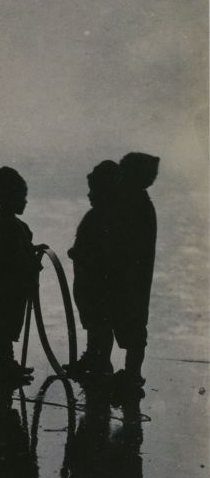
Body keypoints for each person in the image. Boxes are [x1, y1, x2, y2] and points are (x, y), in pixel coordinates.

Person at [66, 160, 120, 379]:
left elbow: (102, 252)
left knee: (101, 324)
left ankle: (101, 361)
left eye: (94, 190)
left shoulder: (107, 217)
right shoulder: (99, 216)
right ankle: (93, 357)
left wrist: (78, 254)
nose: (89, 195)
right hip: (88, 282)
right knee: (94, 324)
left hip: (98, 283)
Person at [0, 167, 40, 385]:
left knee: (7, 326)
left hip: (12, 286)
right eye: (21, 197)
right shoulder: (6, 223)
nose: (25, 202)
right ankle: (6, 366)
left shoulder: (8, 221)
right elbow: (13, 255)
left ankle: (8, 363)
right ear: (9, 197)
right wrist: (31, 261)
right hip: (7, 286)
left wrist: (33, 250)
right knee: (5, 327)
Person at [111, 152, 160, 391]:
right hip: (136, 276)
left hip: (130, 276)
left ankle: (132, 374)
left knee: (132, 325)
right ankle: (132, 373)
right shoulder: (140, 203)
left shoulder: (134, 204)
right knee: (135, 324)